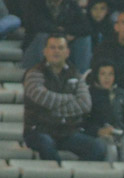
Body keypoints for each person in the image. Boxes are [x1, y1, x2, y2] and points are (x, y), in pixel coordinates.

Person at [23, 34, 106, 162]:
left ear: (67, 52)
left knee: (98, 148)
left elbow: (85, 104)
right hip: (39, 130)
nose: (56, 51)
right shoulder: (34, 73)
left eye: (60, 48)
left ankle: (77, 174)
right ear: (45, 51)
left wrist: (52, 109)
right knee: (47, 146)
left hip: (67, 131)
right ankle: (57, 172)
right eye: (52, 47)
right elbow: (41, 98)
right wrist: (71, 98)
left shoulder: (75, 74)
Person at [85, 59, 124, 162]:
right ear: (97, 75)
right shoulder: (89, 95)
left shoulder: (122, 94)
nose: (107, 78)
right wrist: (98, 131)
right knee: (111, 151)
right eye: (103, 74)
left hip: (121, 135)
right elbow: (85, 122)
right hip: (101, 136)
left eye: (110, 74)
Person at [21, 0, 92, 72]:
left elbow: (86, 27)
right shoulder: (35, 3)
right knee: (44, 37)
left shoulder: (71, 4)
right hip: (35, 47)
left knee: (84, 39)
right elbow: (38, 25)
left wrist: (65, 32)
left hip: (64, 43)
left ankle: (81, 74)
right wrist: (62, 33)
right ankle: (44, 73)